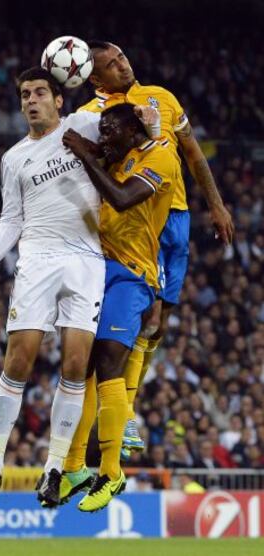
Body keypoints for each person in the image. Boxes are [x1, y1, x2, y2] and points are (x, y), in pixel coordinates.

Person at [63, 40, 234, 472]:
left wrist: (215, 203)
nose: (124, 65)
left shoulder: (163, 97)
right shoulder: (96, 115)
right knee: (148, 316)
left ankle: (125, 411)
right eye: (112, 64)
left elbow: (192, 154)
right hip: (144, 224)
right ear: (95, 77)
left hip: (178, 218)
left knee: (161, 325)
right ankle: (126, 417)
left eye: (122, 57)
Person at [0, 67, 106, 508]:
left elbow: (125, 114)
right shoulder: (13, 158)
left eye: (39, 92)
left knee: (76, 365)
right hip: (37, 259)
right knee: (18, 360)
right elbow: (10, 219)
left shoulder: (84, 124)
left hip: (88, 260)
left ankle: (54, 470)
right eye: (24, 94)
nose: (30, 100)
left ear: (59, 99)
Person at [61, 102, 178, 511]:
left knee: (109, 362)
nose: (104, 137)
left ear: (133, 131)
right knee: (89, 367)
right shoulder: (120, 154)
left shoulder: (160, 155)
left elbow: (125, 197)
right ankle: (75, 466)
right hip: (101, 269)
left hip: (132, 274)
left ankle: (110, 472)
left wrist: (83, 153)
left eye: (110, 130)